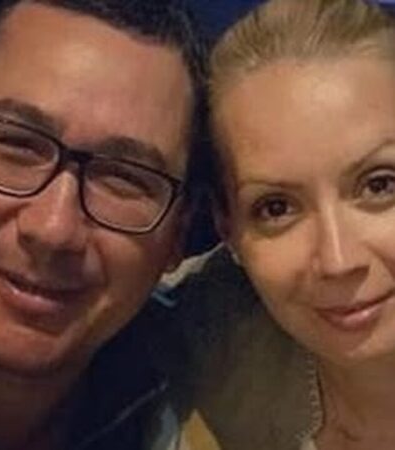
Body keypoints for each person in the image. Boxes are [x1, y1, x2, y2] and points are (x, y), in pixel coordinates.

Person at [0, 0, 207, 449]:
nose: (53, 229)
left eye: (124, 179)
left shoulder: (206, 379)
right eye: (17, 146)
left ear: (178, 233)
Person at [164, 0, 395, 449]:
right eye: (276, 208)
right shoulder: (216, 343)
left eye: (380, 184)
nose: (337, 260)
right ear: (228, 229)